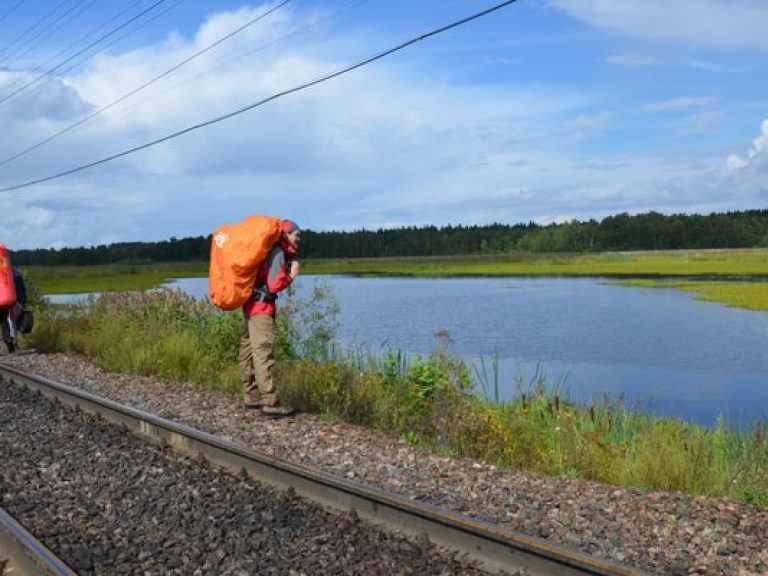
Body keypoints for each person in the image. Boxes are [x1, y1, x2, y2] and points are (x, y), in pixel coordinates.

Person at [239, 219, 301, 416]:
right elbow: (274, 285)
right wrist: (292, 276)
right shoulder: (277, 253)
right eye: (296, 235)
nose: (299, 239)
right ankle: (270, 402)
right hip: (262, 309)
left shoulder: (267, 251)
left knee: (248, 351)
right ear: (285, 234)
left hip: (250, 307)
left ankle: (250, 396)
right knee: (263, 352)